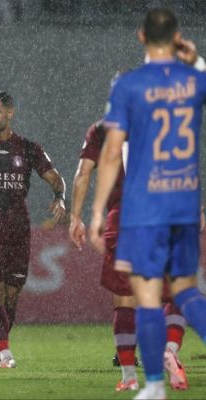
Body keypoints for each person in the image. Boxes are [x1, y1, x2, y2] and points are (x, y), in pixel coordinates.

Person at [89, 9, 206, 400]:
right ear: (176, 38)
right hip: (183, 202)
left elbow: (109, 156)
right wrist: (195, 59)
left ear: (141, 37)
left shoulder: (129, 86)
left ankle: (153, 384)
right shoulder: (191, 82)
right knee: (186, 292)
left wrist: (94, 212)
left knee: (145, 296)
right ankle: (167, 362)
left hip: (143, 208)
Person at [70, 120, 189, 391]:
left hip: (122, 220)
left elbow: (83, 173)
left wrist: (75, 217)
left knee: (126, 299)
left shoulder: (100, 129)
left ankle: (129, 377)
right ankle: (169, 349)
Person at [0, 91, 66, 369]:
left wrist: (60, 197)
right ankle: (6, 354)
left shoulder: (28, 148)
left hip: (19, 229)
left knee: (11, 293)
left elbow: (56, 179)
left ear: (10, 113)